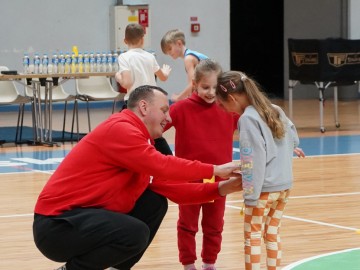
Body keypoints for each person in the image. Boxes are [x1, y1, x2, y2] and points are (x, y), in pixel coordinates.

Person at [33, 85, 243, 270]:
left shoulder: (146, 140)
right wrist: (215, 169)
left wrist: (223, 188)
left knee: (155, 203)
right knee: (134, 232)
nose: (168, 118)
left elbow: (172, 188)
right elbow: (164, 165)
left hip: (84, 220)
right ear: (143, 107)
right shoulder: (121, 128)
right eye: (163, 110)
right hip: (56, 227)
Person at [215, 71, 305, 270]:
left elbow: (251, 160)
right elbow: (294, 139)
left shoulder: (247, 119)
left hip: (263, 190)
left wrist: (250, 194)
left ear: (231, 98)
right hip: (284, 187)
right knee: (272, 234)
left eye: (222, 104)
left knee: (252, 237)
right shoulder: (275, 109)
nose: (223, 109)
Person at [163, 59, 239, 270]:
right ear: (194, 84)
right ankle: (188, 264)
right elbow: (155, 128)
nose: (211, 92)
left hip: (219, 179)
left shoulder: (229, 110)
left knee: (214, 225)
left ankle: (209, 264)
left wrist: (285, 144)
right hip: (189, 180)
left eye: (216, 87)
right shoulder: (180, 109)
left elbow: (255, 127)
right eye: (206, 87)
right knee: (187, 225)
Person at [115, 23, 173, 155]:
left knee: (125, 131)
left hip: (134, 103)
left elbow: (127, 83)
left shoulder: (124, 57)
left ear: (125, 40)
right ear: (142, 39)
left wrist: (118, 77)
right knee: (155, 135)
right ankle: (170, 160)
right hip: (152, 101)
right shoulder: (150, 56)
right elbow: (163, 77)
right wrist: (166, 72)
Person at [161, 29, 208, 102]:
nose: (169, 53)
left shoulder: (188, 58)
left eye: (170, 49)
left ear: (179, 43)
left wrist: (178, 98)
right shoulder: (190, 55)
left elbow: (192, 85)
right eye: (167, 52)